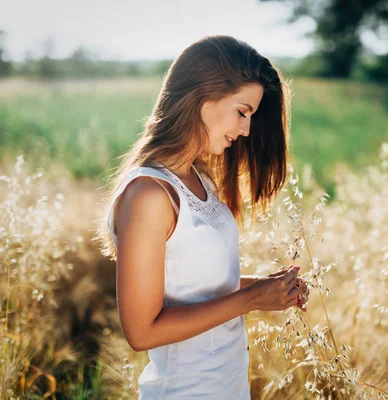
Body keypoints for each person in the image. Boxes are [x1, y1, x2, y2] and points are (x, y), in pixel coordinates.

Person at [95, 35, 310, 399]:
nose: (245, 130)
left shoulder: (199, 179)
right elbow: (142, 332)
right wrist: (251, 299)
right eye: (242, 112)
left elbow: (192, 284)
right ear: (204, 96)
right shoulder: (148, 194)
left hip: (228, 387)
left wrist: (265, 288)